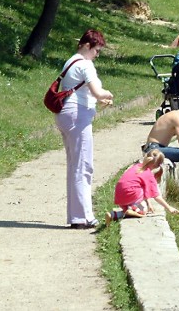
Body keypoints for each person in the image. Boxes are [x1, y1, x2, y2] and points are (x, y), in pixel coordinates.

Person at [55, 29, 114, 229]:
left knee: (74, 165)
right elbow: (97, 92)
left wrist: (98, 99)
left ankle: (76, 216)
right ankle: (83, 216)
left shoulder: (71, 61)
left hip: (67, 114)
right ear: (88, 46)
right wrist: (108, 94)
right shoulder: (85, 64)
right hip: (77, 116)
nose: (97, 55)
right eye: (97, 50)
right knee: (83, 166)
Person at [105, 149, 179, 226]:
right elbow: (156, 196)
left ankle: (113, 215)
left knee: (138, 190)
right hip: (130, 196)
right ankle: (133, 209)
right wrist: (169, 208)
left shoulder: (136, 167)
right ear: (157, 166)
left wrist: (149, 203)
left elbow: (144, 188)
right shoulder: (149, 175)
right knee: (144, 210)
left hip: (119, 197)